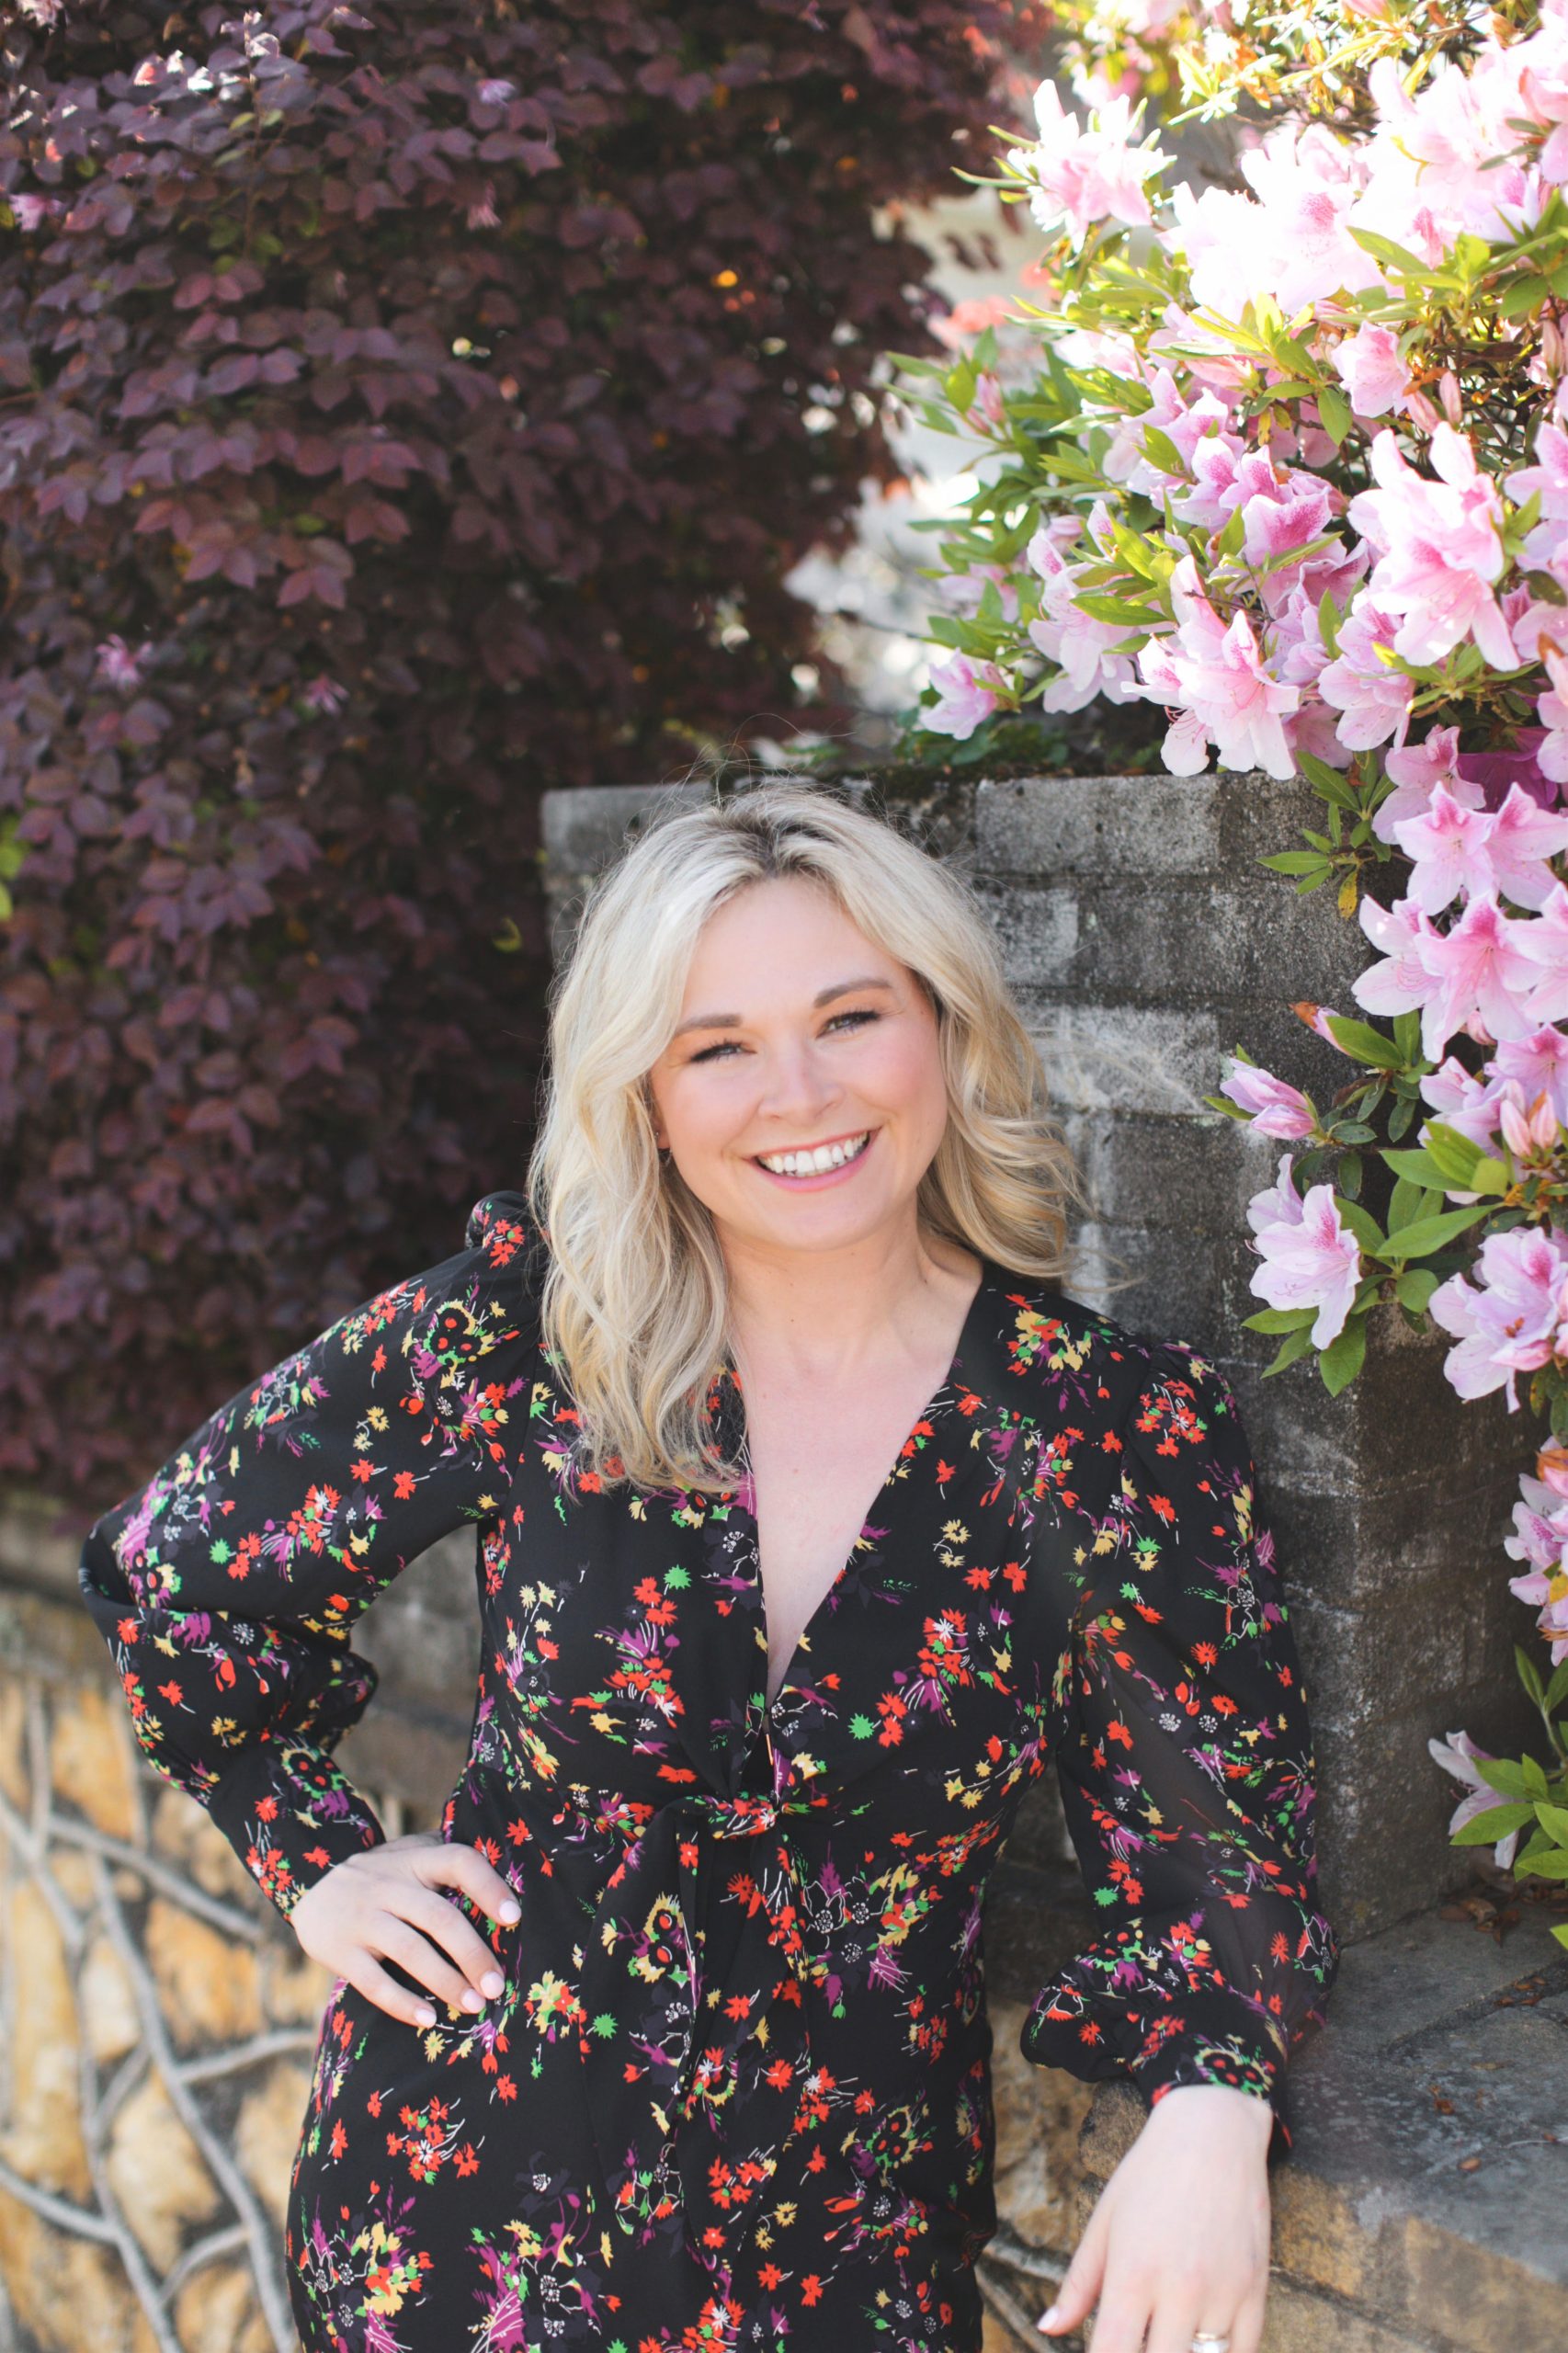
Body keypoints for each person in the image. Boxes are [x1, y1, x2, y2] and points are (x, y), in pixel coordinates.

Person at [80, 780, 1339, 2353]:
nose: (796, 1093)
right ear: (646, 1095)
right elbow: (185, 1566)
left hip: (843, 2256)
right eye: (717, 1044)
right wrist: (315, 1857)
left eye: (850, 1016)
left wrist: (1211, 2112)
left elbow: (1214, 1826)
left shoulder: (1106, 1429)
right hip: (461, 2223)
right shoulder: (532, 1337)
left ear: (946, 1031)